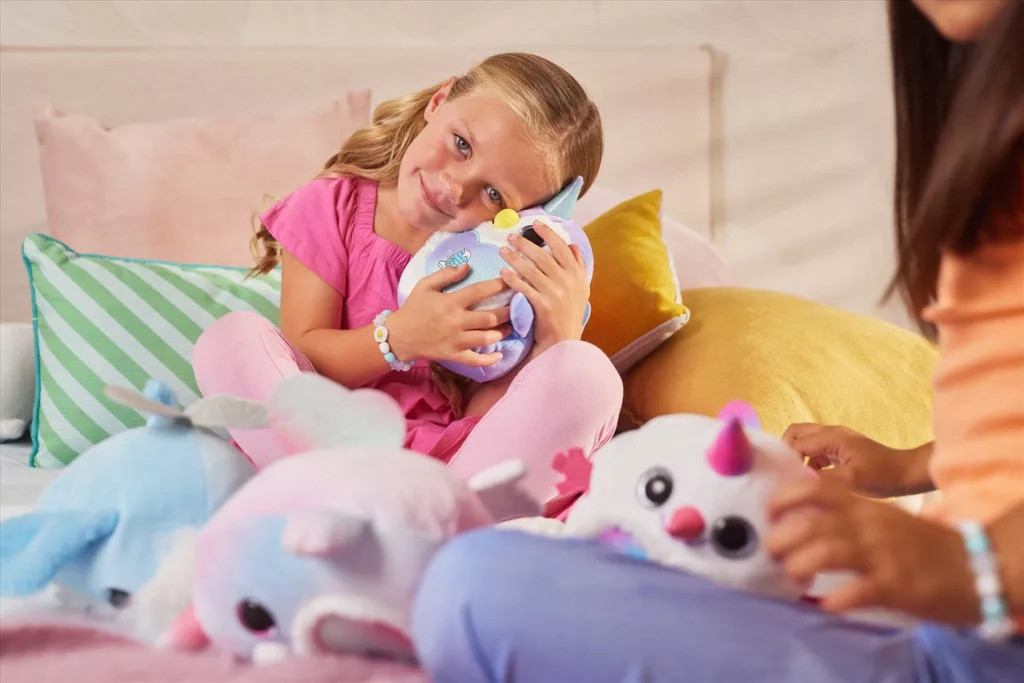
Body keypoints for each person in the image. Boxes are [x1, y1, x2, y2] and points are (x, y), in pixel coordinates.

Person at [409, 2, 1024, 681]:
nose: (457, 187)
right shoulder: (988, 124)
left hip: (982, 629)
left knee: (472, 588)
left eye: (495, 193)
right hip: (959, 617)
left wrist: (974, 568)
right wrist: (914, 465)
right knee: (481, 579)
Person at [191, 53, 622, 506]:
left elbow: (488, 424)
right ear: (439, 101)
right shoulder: (333, 206)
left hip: (451, 476)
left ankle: (439, 523)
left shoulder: (502, 268)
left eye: (495, 195)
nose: (455, 187)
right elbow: (306, 360)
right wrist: (399, 338)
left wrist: (555, 342)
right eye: (462, 144)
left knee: (589, 375)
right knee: (231, 338)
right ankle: (340, 503)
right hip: (330, 445)